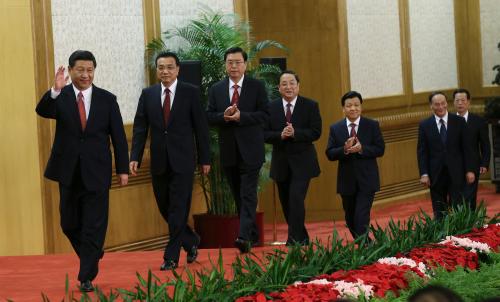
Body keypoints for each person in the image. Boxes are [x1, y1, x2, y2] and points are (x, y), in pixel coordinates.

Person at [36, 50, 129, 292]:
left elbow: (118, 137)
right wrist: (55, 90)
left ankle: (86, 274)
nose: (86, 75)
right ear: (71, 70)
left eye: (90, 70)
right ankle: (93, 252)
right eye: (81, 70)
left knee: (94, 224)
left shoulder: (108, 99)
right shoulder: (62, 97)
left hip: (97, 170)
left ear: (94, 71)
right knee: (68, 223)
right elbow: (42, 110)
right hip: (68, 170)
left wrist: (122, 169)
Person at [130, 51, 210, 270]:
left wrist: (205, 159)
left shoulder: (190, 93)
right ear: (157, 71)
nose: (165, 71)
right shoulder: (148, 94)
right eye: (161, 67)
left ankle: (171, 256)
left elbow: (201, 129)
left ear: (177, 69)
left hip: (183, 161)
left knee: (178, 209)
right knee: (166, 207)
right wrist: (134, 156)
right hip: (159, 161)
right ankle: (191, 240)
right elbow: (139, 128)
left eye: (169, 67)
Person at [207, 47, 269, 253]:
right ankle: (252, 234)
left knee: (248, 193)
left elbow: (265, 115)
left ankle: (242, 237)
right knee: (237, 195)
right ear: (225, 65)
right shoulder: (216, 89)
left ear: (245, 64)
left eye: (237, 62)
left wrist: (242, 117)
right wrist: (223, 117)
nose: (233, 66)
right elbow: (208, 116)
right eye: (230, 62)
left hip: (251, 150)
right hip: (229, 151)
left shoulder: (257, 87)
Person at [264, 70, 321, 245]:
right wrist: (280, 135)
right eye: (284, 84)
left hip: (303, 162)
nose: (288, 87)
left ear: (298, 86)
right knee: (286, 202)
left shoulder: (310, 105)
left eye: (292, 83)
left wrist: (296, 133)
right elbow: (264, 134)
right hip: (281, 162)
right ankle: (302, 237)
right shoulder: (270, 107)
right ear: (278, 88)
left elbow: (316, 132)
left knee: (296, 198)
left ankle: (293, 239)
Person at [325, 91, 385, 239]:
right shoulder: (336, 128)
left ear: (361, 107)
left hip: (367, 179)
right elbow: (330, 153)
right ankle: (367, 245)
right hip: (347, 181)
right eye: (349, 106)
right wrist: (344, 149)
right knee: (350, 218)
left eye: (356, 105)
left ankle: (365, 250)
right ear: (343, 109)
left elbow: (380, 149)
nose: (353, 108)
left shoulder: (371, 125)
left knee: (361, 215)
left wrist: (362, 149)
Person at [417, 91, 475, 220]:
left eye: (443, 103)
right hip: (435, 174)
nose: (441, 107)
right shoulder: (425, 125)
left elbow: (467, 148)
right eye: (437, 104)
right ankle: (442, 236)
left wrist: (470, 170)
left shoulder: (459, 121)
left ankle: (458, 235)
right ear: (431, 106)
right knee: (439, 208)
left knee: (457, 206)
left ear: (447, 104)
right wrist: (424, 173)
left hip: (457, 172)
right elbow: (422, 151)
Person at [453, 88, 491, 210]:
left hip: (473, 165)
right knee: (456, 197)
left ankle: (470, 224)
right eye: (457, 100)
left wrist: (484, 163)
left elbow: (485, 144)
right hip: (454, 166)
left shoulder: (478, 121)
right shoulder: (449, 121)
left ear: (468, 102)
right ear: (453, 103)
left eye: (463, 100)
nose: (460, 103)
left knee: (470, 197)